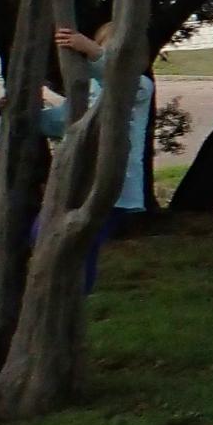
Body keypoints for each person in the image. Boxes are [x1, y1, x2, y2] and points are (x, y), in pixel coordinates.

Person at [29, 24, 153, 292]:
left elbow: (119, 82)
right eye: (108, 49)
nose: (109, 57)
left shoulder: (141, 87)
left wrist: (93, 51)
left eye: (122, 53)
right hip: (77, 181)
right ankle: (57, 297)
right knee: (42, 234)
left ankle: (74, 299)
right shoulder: (88, 89)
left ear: (141, 60)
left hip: (113, 189)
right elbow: (59, 122)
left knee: (82, 245)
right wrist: (27, 112)